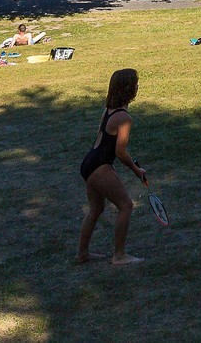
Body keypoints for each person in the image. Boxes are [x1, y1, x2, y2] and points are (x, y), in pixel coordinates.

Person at [77, 68, 147, 265]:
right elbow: (120, 152)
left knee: (96, 209)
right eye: (135, 84)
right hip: (99, 166)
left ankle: (82, 254)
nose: (138, 86)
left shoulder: (108, 110)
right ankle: (119, 255)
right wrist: (136, 170)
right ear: (128, 89)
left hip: (89, 162)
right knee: (126, 206)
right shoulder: (124, 118)